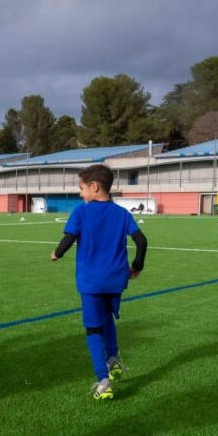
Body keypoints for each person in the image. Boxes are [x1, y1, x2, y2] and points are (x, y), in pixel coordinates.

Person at [50, 164, 147, 400]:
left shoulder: (81, 213)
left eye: (81, 188)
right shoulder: (122, 213)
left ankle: (103, 380)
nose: (80, 194)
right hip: (116, 280)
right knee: (106, 320)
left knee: (93, 328)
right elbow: (142, 241)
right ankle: (113, 359)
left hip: (91, 282)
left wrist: (57, 254)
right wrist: (137, 266)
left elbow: (69, 238)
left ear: (94, 187)